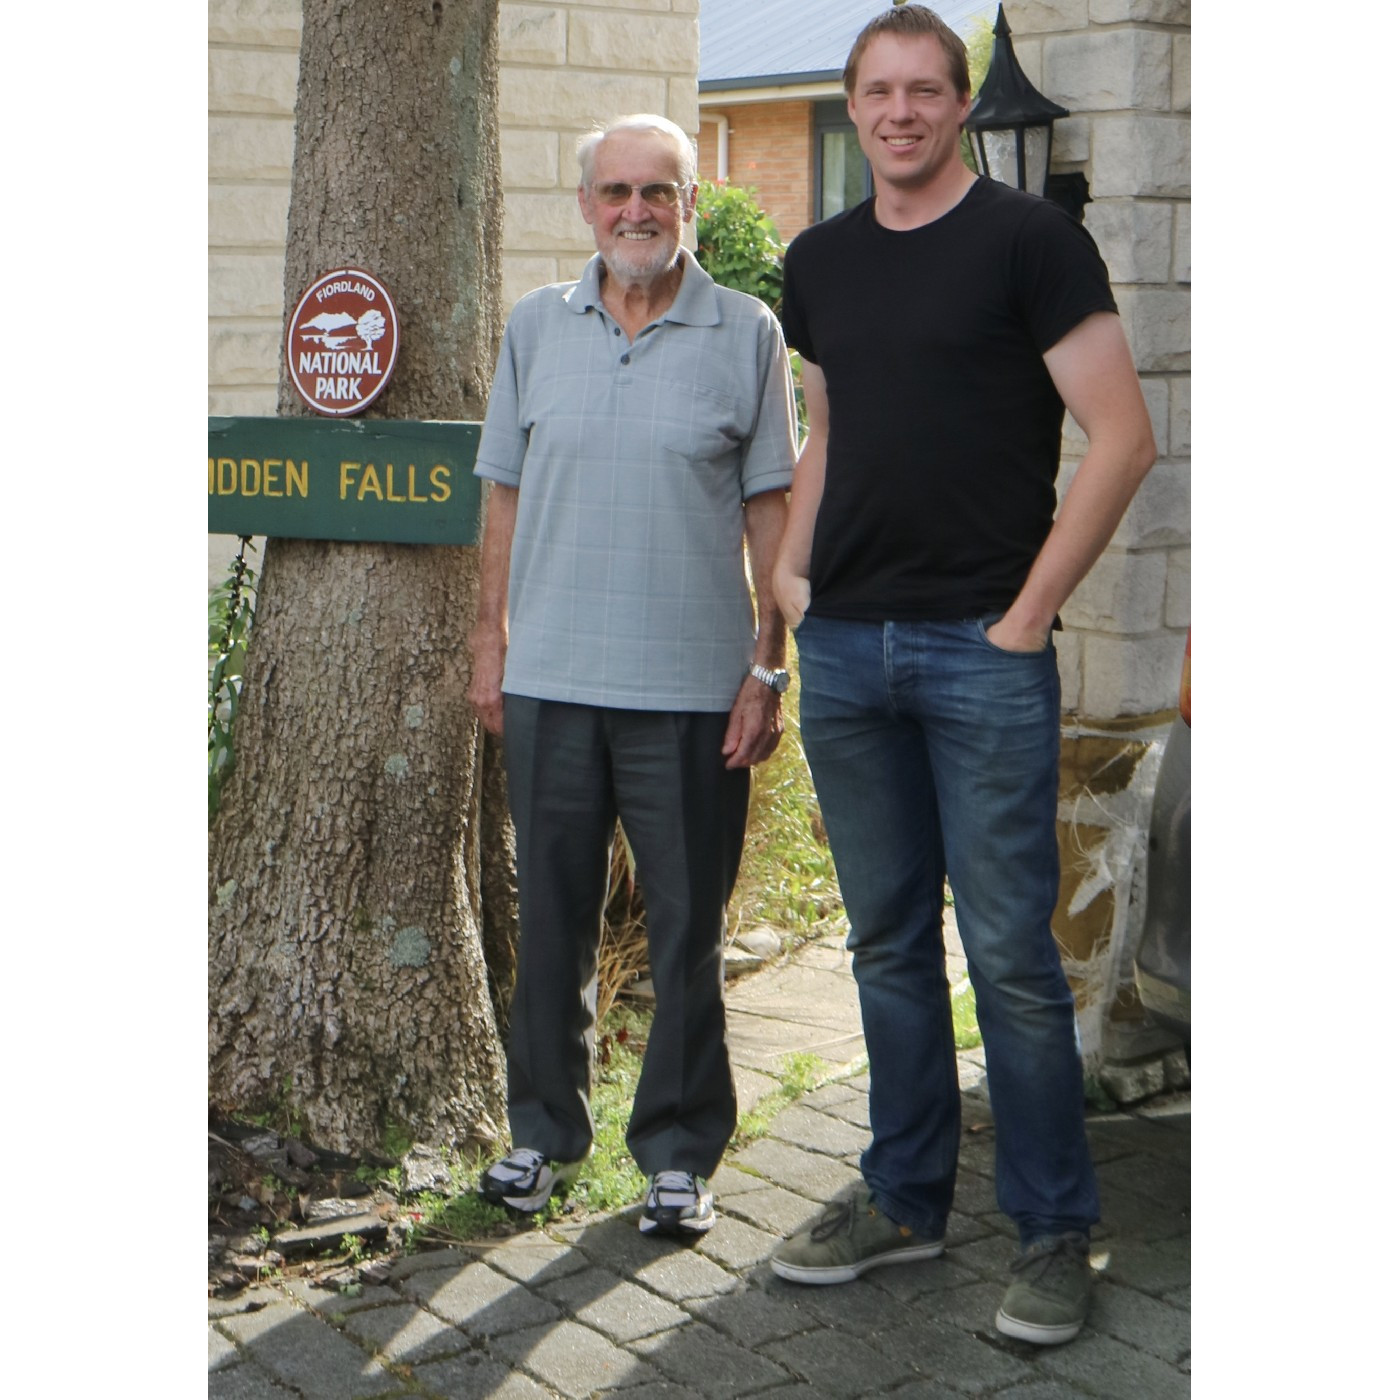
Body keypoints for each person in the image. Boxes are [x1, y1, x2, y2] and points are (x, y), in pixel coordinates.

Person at [767, 6, 1157, 1345]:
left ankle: (1055, 1232)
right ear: (857, 103)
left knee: (1009, 959)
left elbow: (1122, 437)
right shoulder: (816, 262)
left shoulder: (1030, 243)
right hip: (847, 648)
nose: (900, 111)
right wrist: (791, 579)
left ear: (956, 104)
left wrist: (1029, 614)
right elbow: (832, 430)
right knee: (882, 945)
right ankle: (903, 1197)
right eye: (877, 91)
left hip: (982, 648)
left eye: (925, 90)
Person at [468, 113, 797, 1237]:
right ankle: (541, 1134)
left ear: (689, 205)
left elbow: (771, 509)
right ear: (586, 208)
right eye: (614, 192)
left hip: (694, 692)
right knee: (550, 917)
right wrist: (487, 643)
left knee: (685, 931)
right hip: (552, 677)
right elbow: (501, 492)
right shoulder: (534, 328)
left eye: (658, 191)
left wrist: (768, 663)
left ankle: (677, 1148)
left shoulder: (745, 330)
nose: (635, 211)